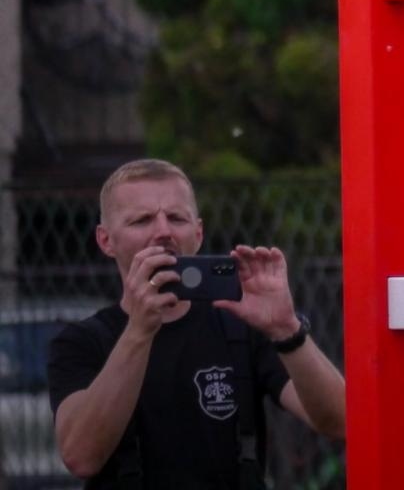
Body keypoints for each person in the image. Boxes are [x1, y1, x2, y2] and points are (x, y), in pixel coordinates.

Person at [48, 158, 346, 487]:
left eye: (176, 218)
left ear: (198, 233)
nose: (163, 231)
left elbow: (341, 421)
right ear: (106, 241)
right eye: (141, 220)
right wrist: (138, 331)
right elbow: (81, 456)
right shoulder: (82, 342)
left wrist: (286, 329)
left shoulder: (240, 328)